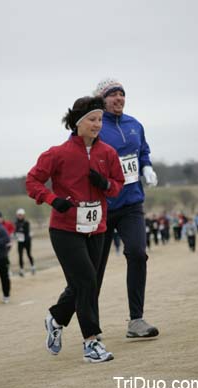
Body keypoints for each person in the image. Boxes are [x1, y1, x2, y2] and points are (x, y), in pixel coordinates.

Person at [26, 96, 124, 363]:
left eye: (100, 120)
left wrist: (104, 183)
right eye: (92, 119)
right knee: (86, 282)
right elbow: (33, 181)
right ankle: (91, 343)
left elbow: (118, 185)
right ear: (78, 122)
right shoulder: (57, 153)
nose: (97, 125)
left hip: (97, 228)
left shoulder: (108, 153)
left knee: (87, 284)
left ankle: (56, 318)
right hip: (65, 229)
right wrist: (51, 199)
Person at [93, 78, 159, 338]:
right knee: (95, 269)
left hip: (132, 202)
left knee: (138, 253)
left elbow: (143, 151)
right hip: (102, 206)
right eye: (113, 95)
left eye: (122, 94)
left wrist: (147, 167)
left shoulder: (134, 124)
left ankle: (136, 320)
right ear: (102, 99)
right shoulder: (94, 125)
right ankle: (90, 326)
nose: (119, 98)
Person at [15, 209, 36, 276]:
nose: (19, 216)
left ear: (24, 215)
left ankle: (32, 267)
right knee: (20, 255)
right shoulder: (16, 223)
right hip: (20, 241)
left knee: (28, 254)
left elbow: (26, 231)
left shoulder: (26, 222)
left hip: (27, 241)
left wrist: (19, 231)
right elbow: (15, 231)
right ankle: (21, 269)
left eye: (21, 215)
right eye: (18, 215)